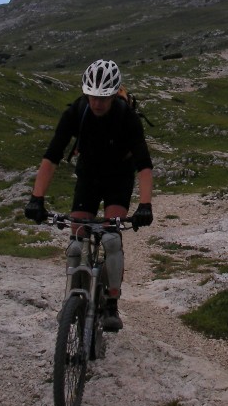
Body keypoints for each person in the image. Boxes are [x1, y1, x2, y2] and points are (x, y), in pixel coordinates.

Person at [25, 59, 154, 331]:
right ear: (86, 93)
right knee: (75, 243)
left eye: (104, 98)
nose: (98, 103)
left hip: (118, 177)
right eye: (93, 96)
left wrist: (145, 205)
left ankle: (111, 304)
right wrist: (36, 198)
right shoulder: (76, 112)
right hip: (89, 176)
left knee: (111, 239)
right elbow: (52, 157)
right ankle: (74, 297)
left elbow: (143, 164)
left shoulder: (126, 117)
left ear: (113, 95)